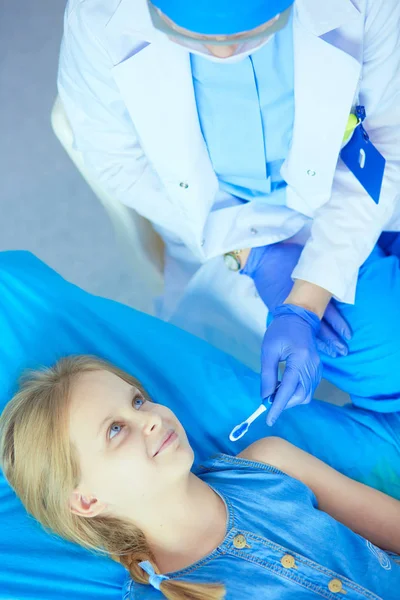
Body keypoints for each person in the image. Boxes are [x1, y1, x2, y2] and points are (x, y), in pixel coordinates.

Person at [57, 0, 400, 423]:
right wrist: (249, 252)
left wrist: (306, 299)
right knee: (389, 353)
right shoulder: (99, 16)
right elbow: (114, 159)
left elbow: (386, 140)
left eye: (251, 33)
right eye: (191, 34)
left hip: (352, 188)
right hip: (224, 221)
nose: (222, 53)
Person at [1, 355, 400, 599]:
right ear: (86, 500)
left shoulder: (271, 463)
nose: (150, 419)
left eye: (138, 400)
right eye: (115, 430)